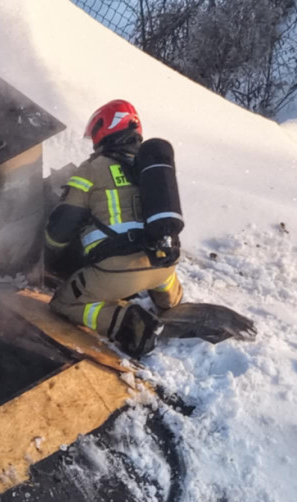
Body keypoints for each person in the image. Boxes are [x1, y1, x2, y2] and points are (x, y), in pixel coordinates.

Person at [45, 99, 184, 357]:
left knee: (63, 302)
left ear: (103, 129)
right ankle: (170, 298)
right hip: (164, 264)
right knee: (158, 274)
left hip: (119, 271)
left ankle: (128, 323)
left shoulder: (92, 169)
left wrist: (51, 250)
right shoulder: (149, 168)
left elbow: (64, 223)